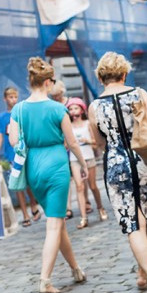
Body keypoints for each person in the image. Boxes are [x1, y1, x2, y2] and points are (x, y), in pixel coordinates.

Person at [88, 52, 147, 293]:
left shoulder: (95, 106)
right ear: (124, 73)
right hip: (146, 160)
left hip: (116, 165)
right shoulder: (139, 93)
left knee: (132, 223)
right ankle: (143, 272)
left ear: (101, 77)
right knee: (145, 218)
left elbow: (98, 142)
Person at [9, 58, 89, 293]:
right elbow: (72, 142)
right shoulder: (58, 109)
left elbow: (14, 141)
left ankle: (75, 269)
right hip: (56, 165)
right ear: (46, 82)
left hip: (33, 167)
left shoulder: (19, 109)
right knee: (54, 224)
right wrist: (83, 163)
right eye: (52, 81)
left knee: (57, 221)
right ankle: (45, 279)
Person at [0, 86, 41, 227]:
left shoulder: (22, 113)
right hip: (11, 154)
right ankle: (25, 214)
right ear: (5, 99)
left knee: (27, 183)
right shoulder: (1, 118)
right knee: (17, 184)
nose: (13, 100)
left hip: (24, 151)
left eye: (15, 97)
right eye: (10, 97)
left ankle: (33, 204)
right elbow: (0, 136)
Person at [50, 80, 92, 219]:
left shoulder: (70, 104)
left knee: (81, 175)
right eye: (54, 95)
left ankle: (85, 200)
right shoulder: (51, 106)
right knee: (65, 177)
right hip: (62, 143)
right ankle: (68, 208)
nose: (56, 97)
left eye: (58, 94)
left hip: (74, 142)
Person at [66, 97, 108, 229]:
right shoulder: (68, 126)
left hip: (89, 158)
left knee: (93, 186)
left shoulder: (88, 124)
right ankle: (84, 217)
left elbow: (97, 143)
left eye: (75, 108)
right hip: (75, 160)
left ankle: (100, 207)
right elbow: (66, 144)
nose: (73, 111)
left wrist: (87, 141)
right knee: (79, 186)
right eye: (70, 109)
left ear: (82, 109)